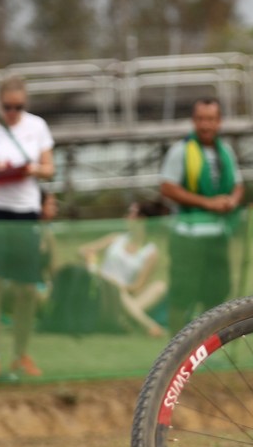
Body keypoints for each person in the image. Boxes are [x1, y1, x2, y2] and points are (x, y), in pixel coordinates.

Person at [0, 75, 55, 379]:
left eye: (18, 107)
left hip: (25, 212)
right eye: (8, 107)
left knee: (26, 288)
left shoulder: (37, 127)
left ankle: (21, 354)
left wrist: (30, 169)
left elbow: (49, 168)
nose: (13, 112)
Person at [159, 97, 244, 335]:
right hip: (187, 235)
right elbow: (167, 187)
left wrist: (232, 201)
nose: (206, 125)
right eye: (201, 119)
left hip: (218, 234)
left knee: (217, 292)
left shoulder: (225, 151)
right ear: (193, 121)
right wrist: (207, 203)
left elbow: (238, 184)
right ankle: (175, 348)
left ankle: (207, 346)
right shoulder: (181, 151)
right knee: (183, 293)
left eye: (211, 119)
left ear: (219, 122)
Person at [78, 200, 168, 337]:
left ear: (142, 220)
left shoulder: (151, 252)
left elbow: (137, 287)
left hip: (125, 298)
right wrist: (89, 257)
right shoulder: (115, 239)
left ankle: (126, 319)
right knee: (111, 284)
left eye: (131, 214)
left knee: (160, 286)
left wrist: (119, 287)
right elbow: (82, 250)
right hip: (102, 294)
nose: (126, 217)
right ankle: (148, 325)